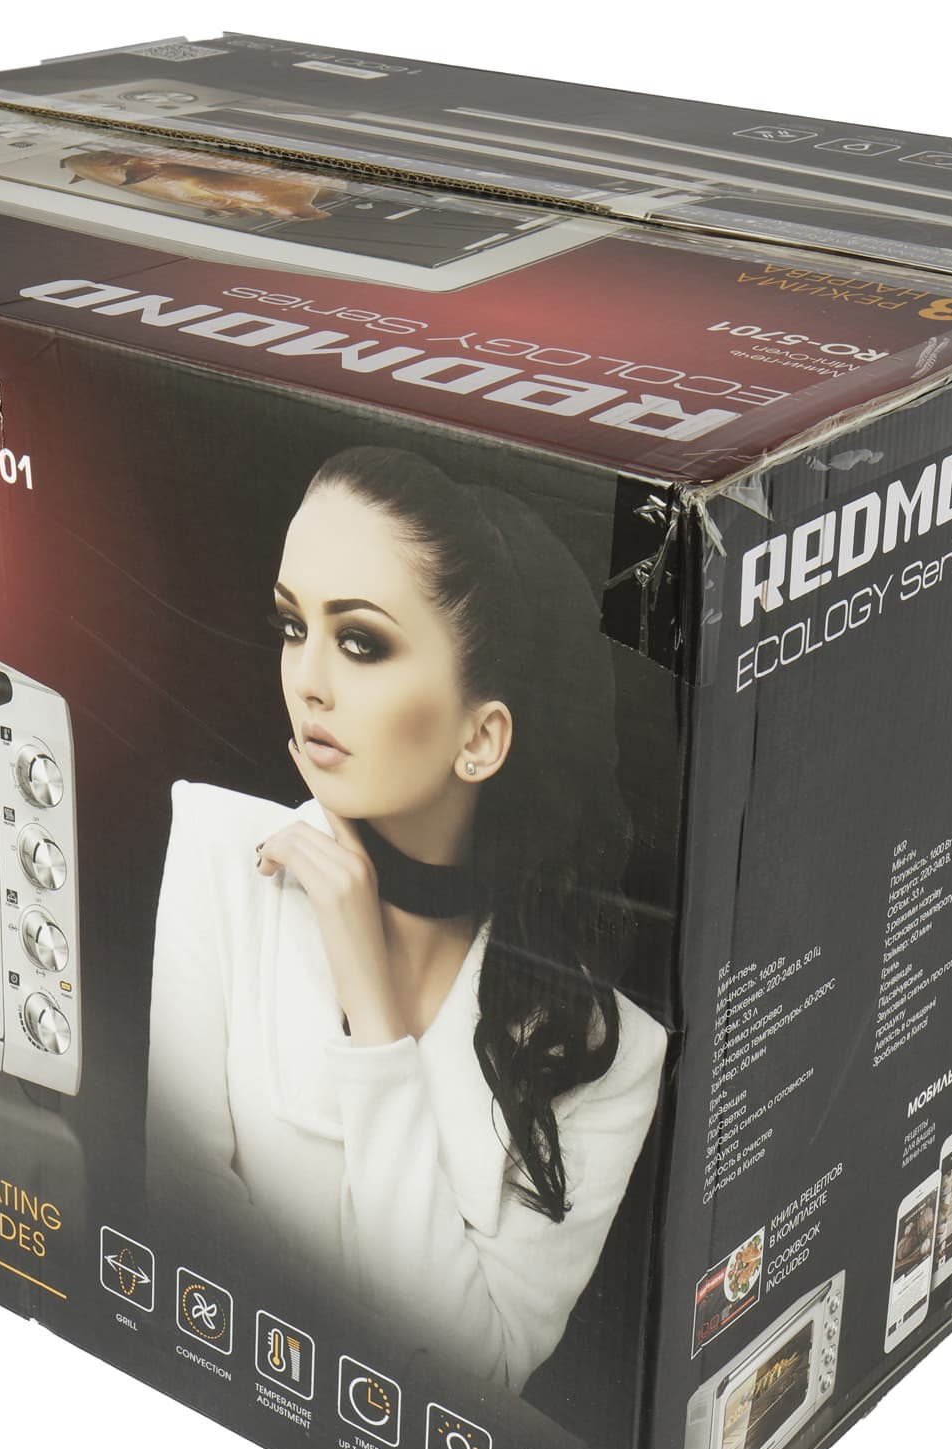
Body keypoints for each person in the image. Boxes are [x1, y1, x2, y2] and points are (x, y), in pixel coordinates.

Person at [146, 445, 666, 1395]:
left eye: (360, 643)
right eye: (291, 625)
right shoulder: (222, 854)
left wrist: (372, 1004)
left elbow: (477, 1374)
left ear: (481, 737)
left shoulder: (609, 1054)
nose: (306, 680)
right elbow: (184, 1240)